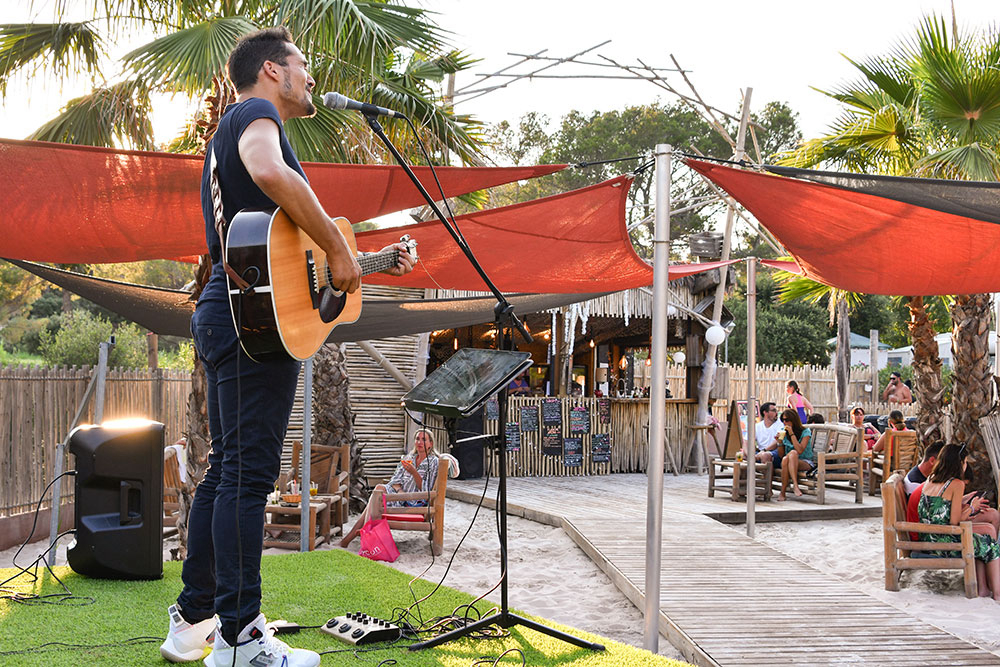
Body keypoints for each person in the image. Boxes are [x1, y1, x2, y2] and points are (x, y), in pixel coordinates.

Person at [159, 27, 415, 667]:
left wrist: (354, 257)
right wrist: (334, 246)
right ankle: (243, 638)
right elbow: (270, 172)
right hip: (244, 325)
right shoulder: (255, 114)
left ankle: (193, 621)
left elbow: (280, 255)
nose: (309, 74)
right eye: (302, 63)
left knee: (226, 473)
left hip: (234, 315)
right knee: (246, 478)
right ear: (272, 70)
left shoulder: (235, 130)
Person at [917, 443, 1000, 600]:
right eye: (965, 461)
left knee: (983, 538)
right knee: (989, 543)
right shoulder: (956, 484)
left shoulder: (931, 479)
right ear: (959, 463)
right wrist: (972, 507)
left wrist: (964, 499)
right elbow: (955, 522)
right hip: (944, 543)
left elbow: (939, 505)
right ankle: (997, 593)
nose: (966, 465)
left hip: (930, 537)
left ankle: (982, 588)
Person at [341, 429, 440, 547]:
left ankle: (353, 536)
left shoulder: (434, 462)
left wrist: (414, 473)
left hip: (415, 501)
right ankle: (361, 533)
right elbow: (395, 480)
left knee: (372, 504)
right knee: (378, 488)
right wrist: (400, 492)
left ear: (431, 444)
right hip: (398, 497)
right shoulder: (409, 458)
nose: (419, 442)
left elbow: (426, 489)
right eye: (417, 439)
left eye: (424, 439)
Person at [775, 408, 814, 501]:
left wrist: (792, 434)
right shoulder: (783, 432)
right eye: (783, 420)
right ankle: (792, 488)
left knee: (793, 453)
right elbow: (781, 455)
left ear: (793, 420)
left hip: (805, 461)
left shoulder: (805, 431)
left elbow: (800, 450)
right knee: (785, 459)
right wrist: (779, 442)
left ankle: (786, 491)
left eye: (787, 420)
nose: (785, 422)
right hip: (789, 461)